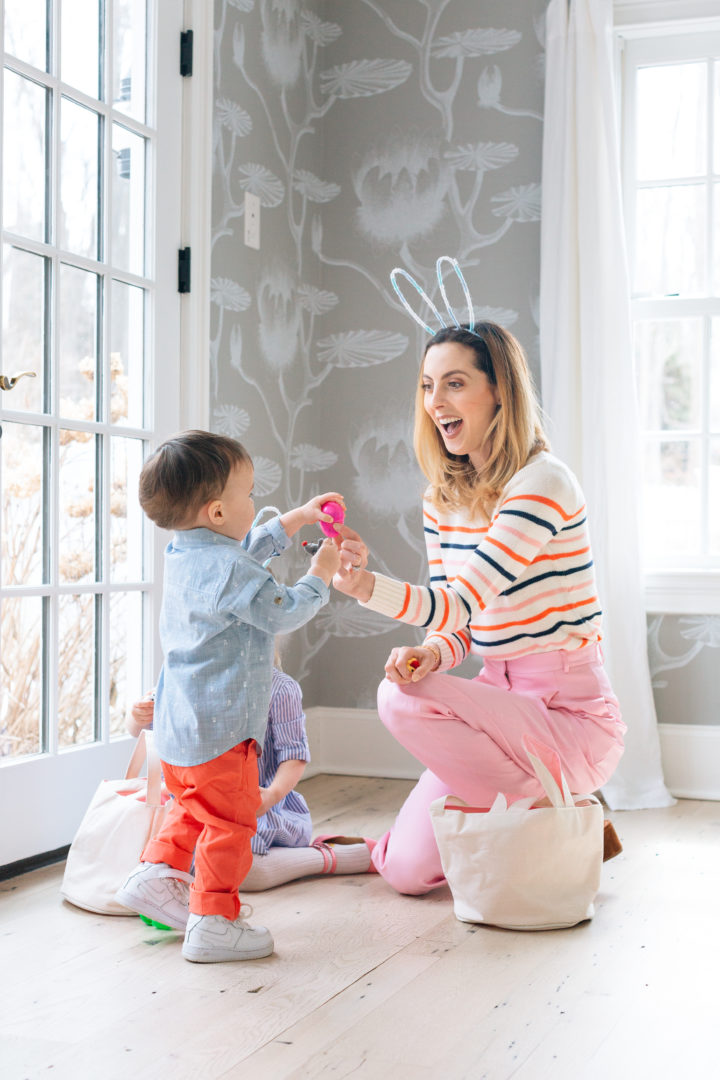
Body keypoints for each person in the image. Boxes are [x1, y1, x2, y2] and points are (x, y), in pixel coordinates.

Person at [333, 323, 626, 895]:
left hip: (570, 719)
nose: (434, 402)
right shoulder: (441, 498)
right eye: (426, 385)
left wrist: (368, 587)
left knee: (397, 696)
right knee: (406, 874)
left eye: (455, 383)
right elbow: (458, 626)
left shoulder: (543, 482)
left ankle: (553, 802)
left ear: (500, 393)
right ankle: (556, 813)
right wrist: (430, 653)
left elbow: (461, 599)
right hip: (500, 714)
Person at [115, 430, 343, 963]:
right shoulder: (232, 570)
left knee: (190, 809)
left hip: (178, 730)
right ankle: (214, 919)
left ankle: (155, 874)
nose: (254, 503)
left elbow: (243, 549)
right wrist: (320, 574)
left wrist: (295, 518)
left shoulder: (186, 551)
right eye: (248, 494)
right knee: (230, 824)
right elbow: (283, 609)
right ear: (217, 511)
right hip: (221, 735)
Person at [128, 668, 373, 892]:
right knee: (167, 853)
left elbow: (295, 755)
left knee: (238, 867)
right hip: (187, 811)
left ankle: (326, 856)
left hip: (258, 811)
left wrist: (272, 795)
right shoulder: (180, 674)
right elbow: (138, 730)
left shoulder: (278, 688)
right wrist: (138, 717)